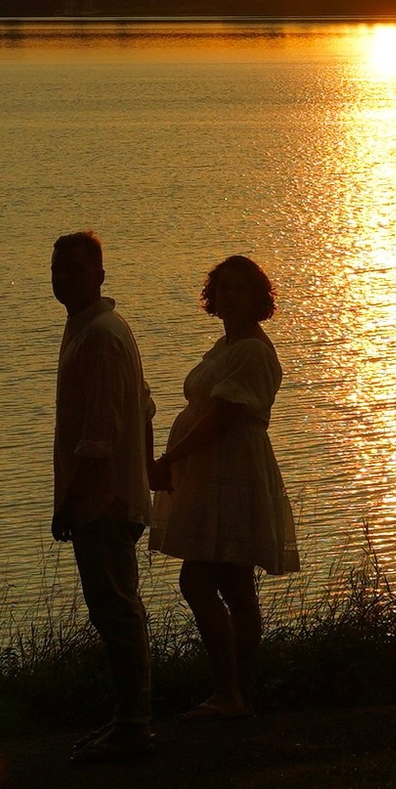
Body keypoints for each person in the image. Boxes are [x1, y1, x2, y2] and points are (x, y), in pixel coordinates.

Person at [149, 254, 299, 718]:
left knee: (200, 580)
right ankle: (234, 693)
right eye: (223, 287)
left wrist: (171, 459)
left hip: (231, 474)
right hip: (213, 473)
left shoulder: (252, 349)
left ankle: (230, 691)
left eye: (239, 287)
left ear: (258, 297)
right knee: (232, 584)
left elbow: (221, 417)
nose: (229, 294)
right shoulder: (226, 345)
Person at [49, 229, 160, 763]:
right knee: (115, 608)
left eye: (74, 269)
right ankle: (126, 717)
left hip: (104, 502)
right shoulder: (90, 328)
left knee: (115, 610)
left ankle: (134, 723)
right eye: (57, 270)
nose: (63, 279)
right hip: (114, 494)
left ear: (99, 274)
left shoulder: (100, 336)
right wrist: (147, 472)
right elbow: (143, 408)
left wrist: (73, 501)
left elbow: (101, 431)